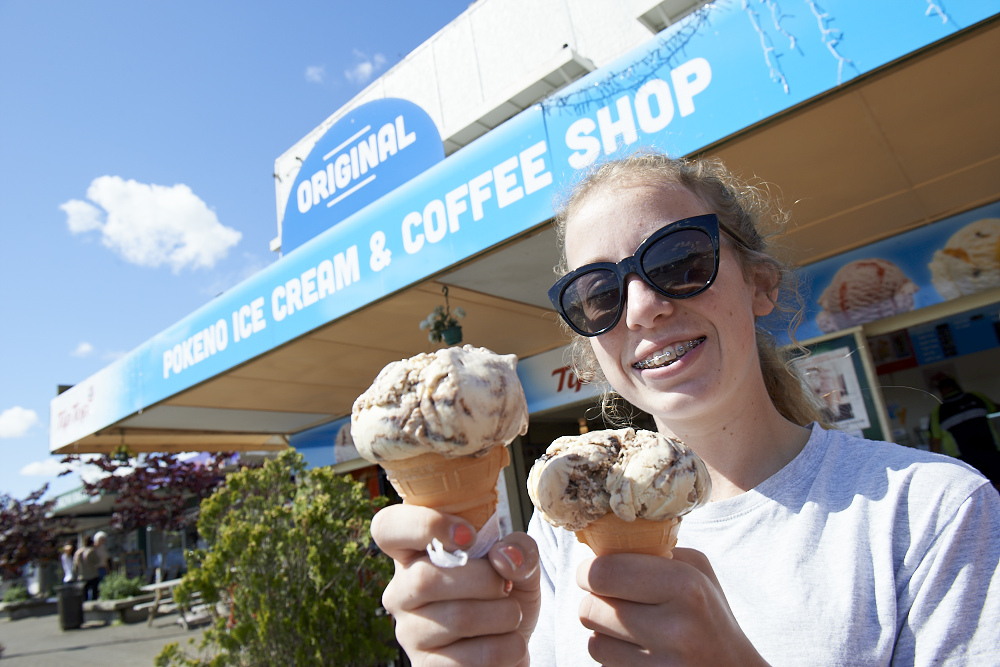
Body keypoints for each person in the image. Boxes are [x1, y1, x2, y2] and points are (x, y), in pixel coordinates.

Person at [370, 152, 1000, 665]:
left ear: (758, 283)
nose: (642, 306)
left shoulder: (931, 512)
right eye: (598, 294)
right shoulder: (560, 533)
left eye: (677, 259)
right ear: (592, 346)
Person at [929, 373, 1000, 490]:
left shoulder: (938, 412)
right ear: (958, 386)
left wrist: (936, 467)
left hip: (964, 459)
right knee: (997, 484)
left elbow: (935, 441)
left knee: (979, 490)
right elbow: (994, 408)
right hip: (990, 450)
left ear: (941, 392)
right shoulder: (976, 397)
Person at [73, 536, 102, 601]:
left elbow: (75, 566)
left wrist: (76, 575)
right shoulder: (91, 551)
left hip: (82, 576)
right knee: (94, 594)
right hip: (92, 575)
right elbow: (97, 561)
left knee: (84, 595)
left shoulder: (78, 552)